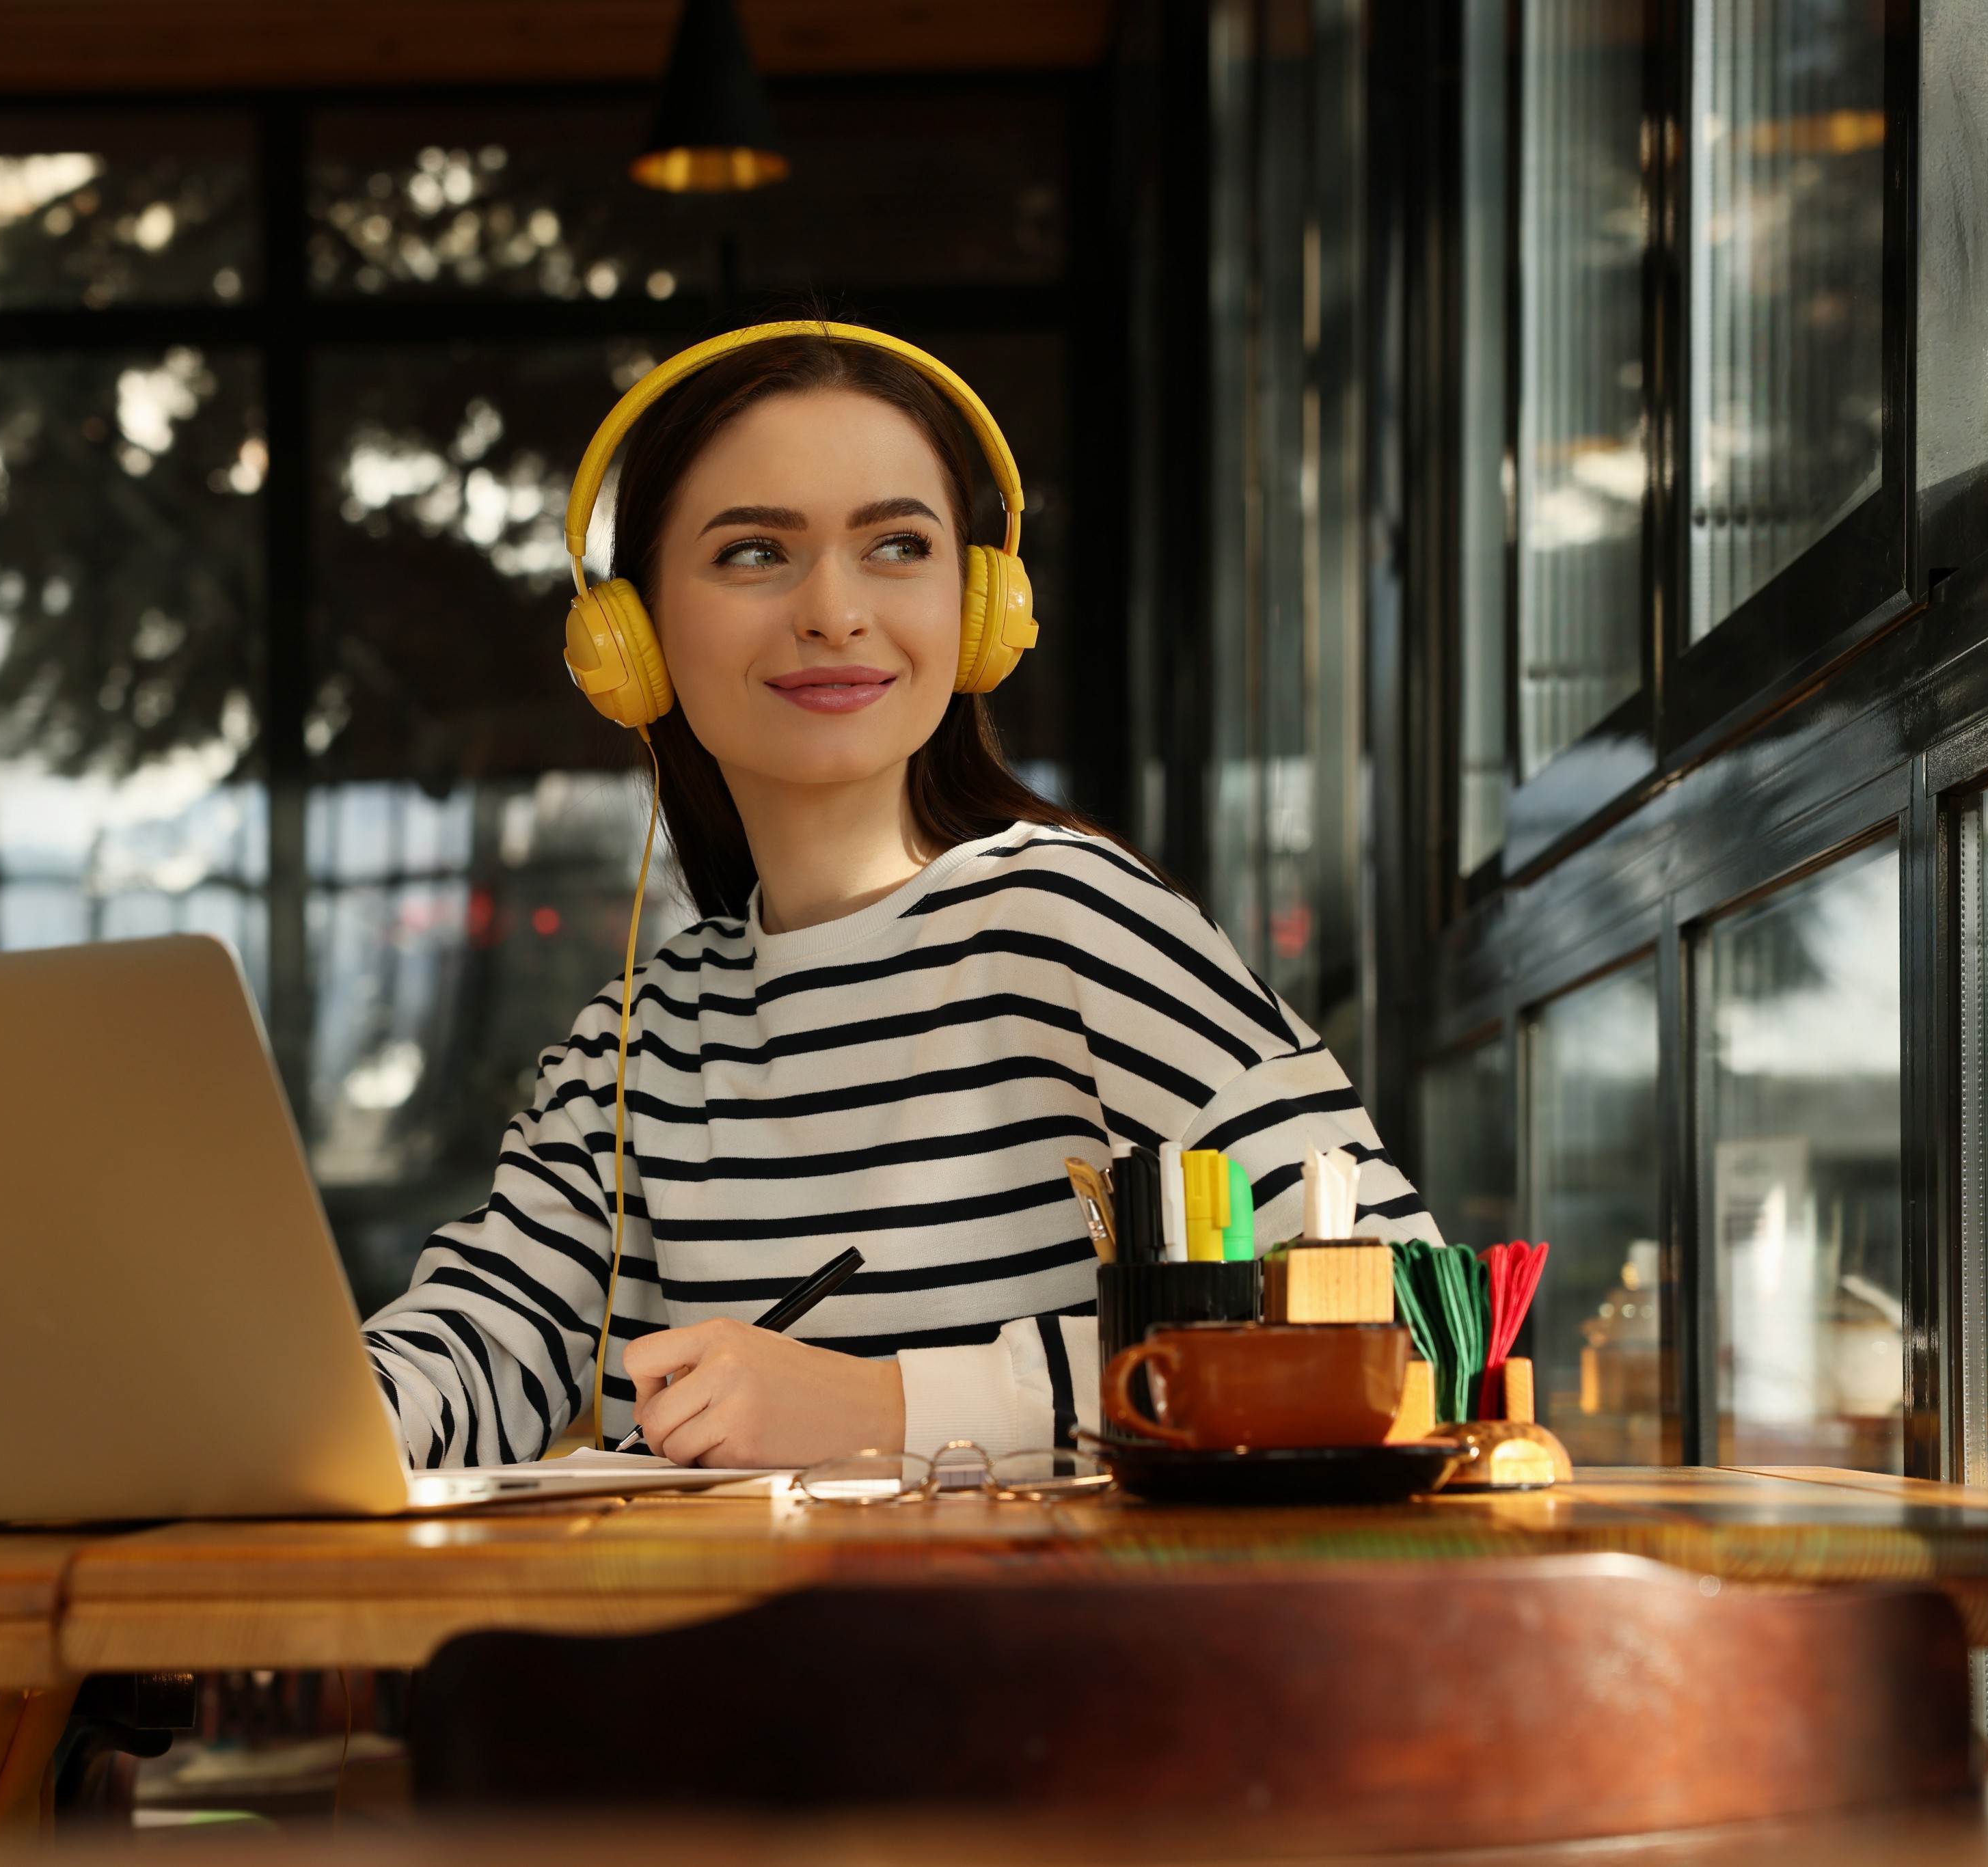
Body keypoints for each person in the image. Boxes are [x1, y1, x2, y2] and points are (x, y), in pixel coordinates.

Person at [363, 323, 1436, 1470]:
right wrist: (296, 1415)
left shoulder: (1074, 924)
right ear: (631, 637)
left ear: (978, 612)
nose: (834, 609)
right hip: (717, 1648)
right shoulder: (641, 1040)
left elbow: (1405, 1329)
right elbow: (477, 1349)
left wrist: (894, 1412)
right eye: (754, 554)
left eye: (898, 546)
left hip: (1040, 1649)